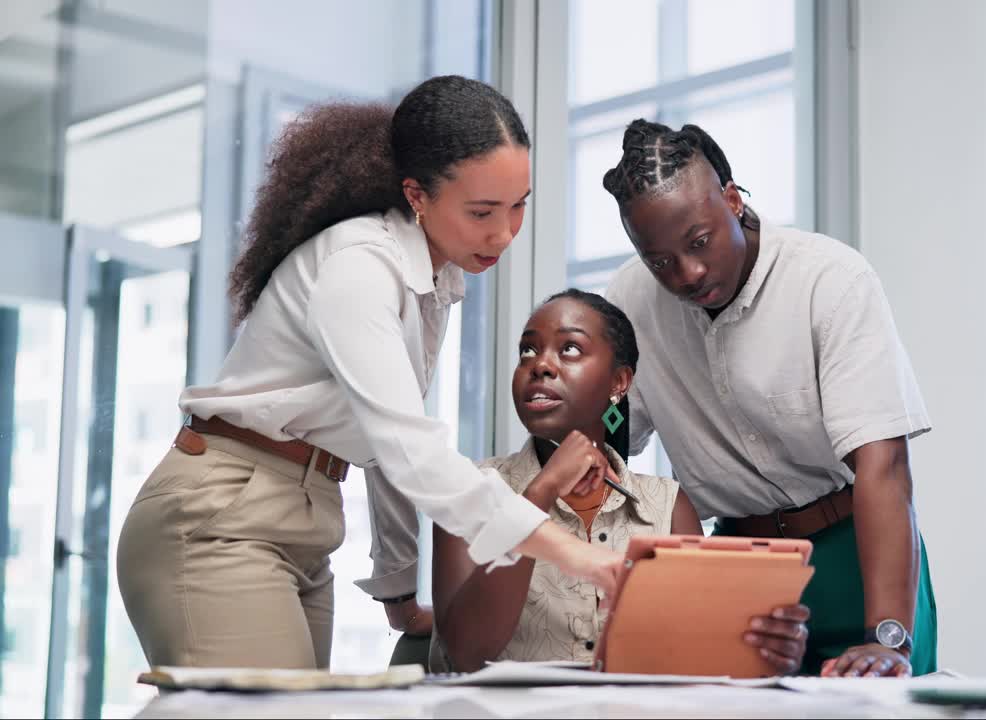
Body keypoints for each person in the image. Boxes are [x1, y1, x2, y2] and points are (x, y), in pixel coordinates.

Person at [115, 76, 620, 670]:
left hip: (304, 518)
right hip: (222, 517)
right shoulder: (360, 267)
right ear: (417, 195)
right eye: (482, 211)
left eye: (518, 206)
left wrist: (400, 596)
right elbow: (413, 454)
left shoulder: (435, 281)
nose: (504, 233)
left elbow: (384, 447)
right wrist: (575, 554)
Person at [601, 119, 938, 678]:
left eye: (699, 242)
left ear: (732, 200)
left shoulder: (829, 281)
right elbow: (610, 439)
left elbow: (884, 466)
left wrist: (888, 636)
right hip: (737, 566)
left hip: (857, 551)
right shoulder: (630, 302)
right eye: (658, 260)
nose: (687, 273)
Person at [426, 289, 811, 673]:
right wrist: (539, 493)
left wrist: (763, 651)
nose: (540, 365)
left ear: (619, 382)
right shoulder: (469, 489)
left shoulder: (666, 506)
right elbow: (465, 654)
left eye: (570, 349)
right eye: (528, 351)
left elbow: (692, 661)